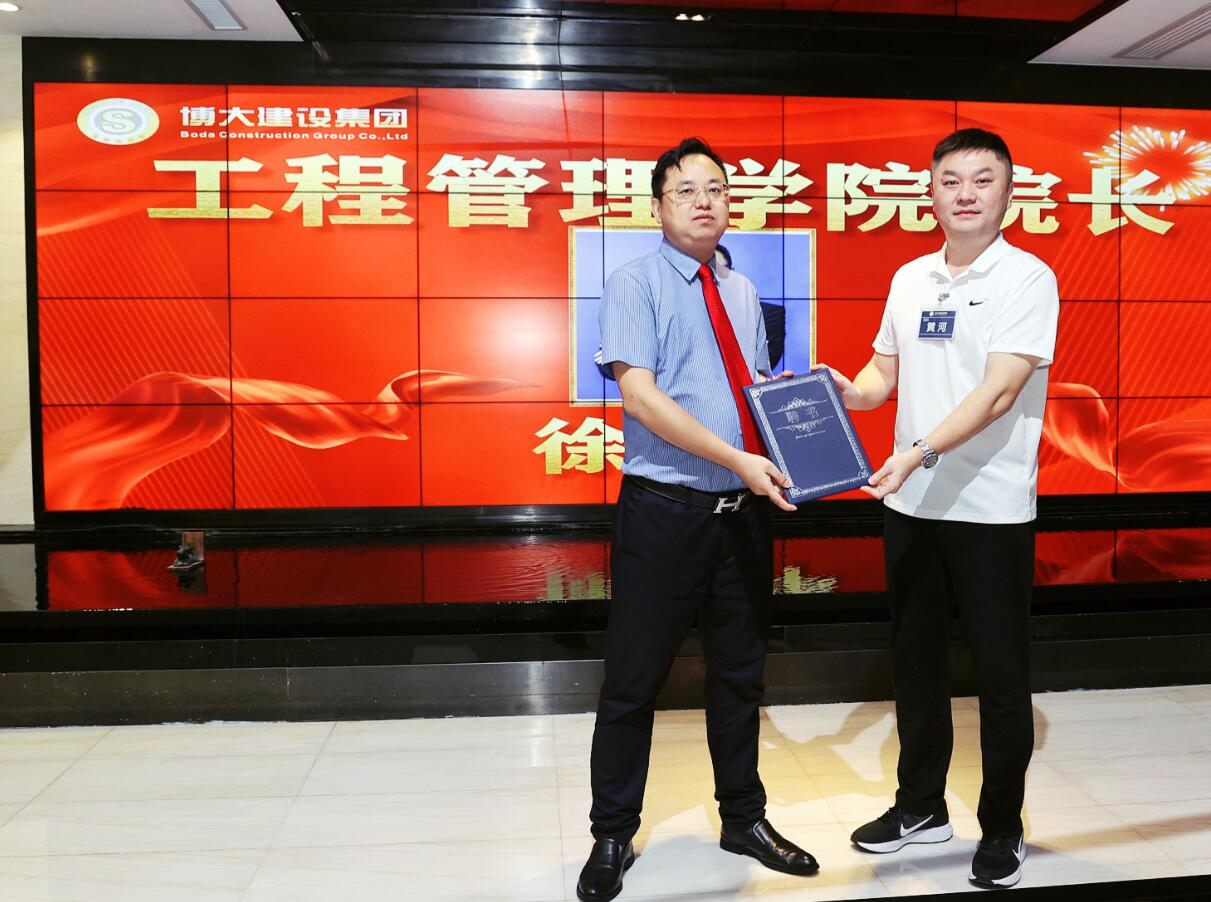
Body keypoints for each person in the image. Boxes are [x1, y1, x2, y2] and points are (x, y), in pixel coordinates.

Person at [577, 136, 818, 901]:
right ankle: (611, 833)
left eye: (715, 188)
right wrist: (737, 457)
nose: (703, 200)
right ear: (657, 206)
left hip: (741, 516)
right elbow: (642, 398)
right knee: (632, 682)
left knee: (740, 677)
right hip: (664, 513)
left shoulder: (739, 289)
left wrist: (793, 411)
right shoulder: (634, 283)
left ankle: (743, 819)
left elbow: (746, 390)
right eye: (685, 190)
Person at [822, 128, 1059, 890]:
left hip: (990, 510)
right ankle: (921, 806)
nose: (964, 193)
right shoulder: (909, 276)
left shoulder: (1027, 278)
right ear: (928, 192)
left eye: (981, 180)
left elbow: (997, 392)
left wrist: (919, 449)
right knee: (915, 663)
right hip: (911, 503)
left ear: (1007, 193)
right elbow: (881, 374)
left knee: (999, 674)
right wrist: (845, 393)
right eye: (950, 179)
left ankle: (1002, 826)